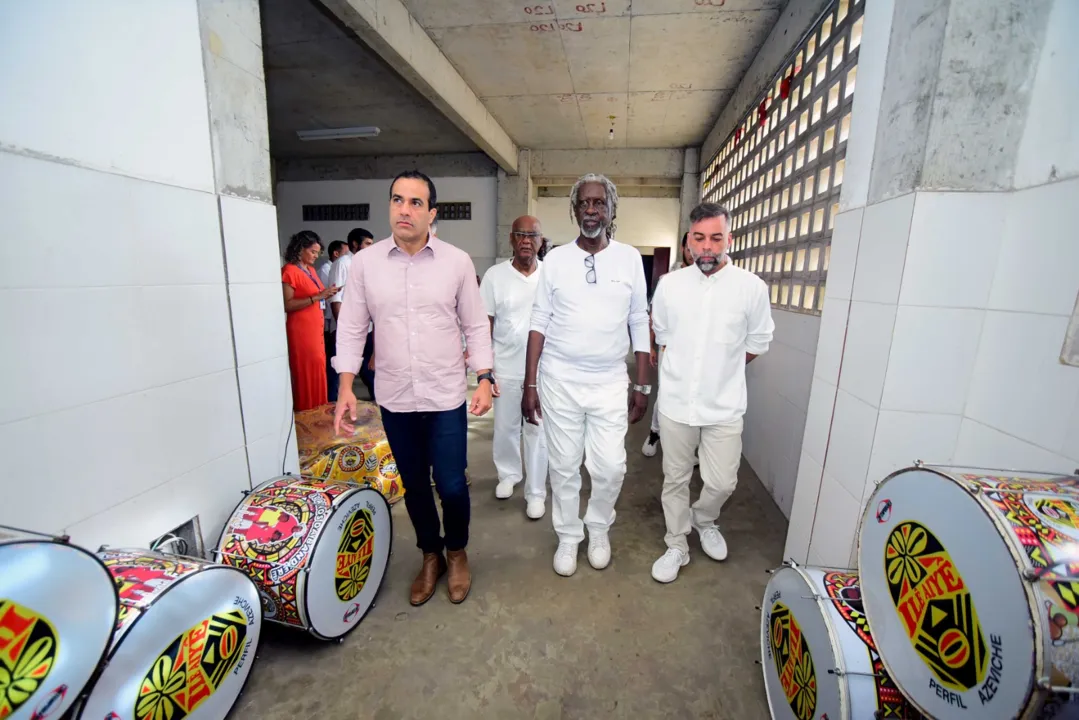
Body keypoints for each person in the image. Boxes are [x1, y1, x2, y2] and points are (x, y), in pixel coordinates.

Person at [333, 170, 494, 606]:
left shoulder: (456, 262)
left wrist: (484, 377)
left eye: (416, 202)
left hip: (444, 396)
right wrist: (346, 386)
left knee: (452, 483)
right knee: (414, 486)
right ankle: (431, 555)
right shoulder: (365, 265)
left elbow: (475, 325)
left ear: (431, 213)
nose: (405, 209)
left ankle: (456, 552)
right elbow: (350, 327)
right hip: (395, 396)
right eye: (398, 200)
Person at [522, 173, 650, 577]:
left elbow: (639, 318)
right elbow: (539, 319)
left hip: (610, 379)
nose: (591, 210)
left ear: (611, 210)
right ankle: (568, 535)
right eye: (584, 203)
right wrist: (529, 384)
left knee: (610, 467)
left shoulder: (629, 258)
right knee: (562, 464)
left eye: (599, 203)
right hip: (559, 378)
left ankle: (598, 527)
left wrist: (643, 382)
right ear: (574, 210)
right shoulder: (556, 259)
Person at [649, 203, 774, 583]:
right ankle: (677, 544)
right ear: (688, 241)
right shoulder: (670, 286)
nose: (707, 247)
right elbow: (663, 337)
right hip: (675, 406)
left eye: (715, 238)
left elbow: (758, 342)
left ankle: (704, 519)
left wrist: (722, 370)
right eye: (699, 238)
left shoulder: (751, 288)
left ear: (728, 239)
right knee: (675, 478)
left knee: (722, 482)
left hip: (724, 407)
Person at [480, 216, 548, 519]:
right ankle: (508, 475)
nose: (526, 240)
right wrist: (485, 370)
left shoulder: (550, 275)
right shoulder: (495, 276)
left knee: (537, 430)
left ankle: (536, 492)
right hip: (505, 367)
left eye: (532, 235)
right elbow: (485, 324)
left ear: (540, 241)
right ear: (511, 239)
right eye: (520, 234)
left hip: (544, 371)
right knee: (506, 428)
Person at [642, 232, 695, 458]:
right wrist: (652, 346)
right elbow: (653, 315)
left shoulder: (710, 280)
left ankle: (687, 447)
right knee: (667, 392)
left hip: (696, 350)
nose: (695, 253)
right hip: (669, 348)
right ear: (683, 249)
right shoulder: (668, 280)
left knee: (691, 395)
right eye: (691, 247)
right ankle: (655, 432)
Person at [282, 231, 339, 412]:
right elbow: (287, 304)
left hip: (316, 328)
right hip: (301, 330)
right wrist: (317, 297)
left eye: (317, 253)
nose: (316, 256)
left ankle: (318, 410)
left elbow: (318, 296)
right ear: (300, 249)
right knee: (306, 372)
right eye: (313, 252)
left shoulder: (311, 270)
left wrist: (328, 293)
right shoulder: (289, 271)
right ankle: (307, 414)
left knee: (318, 368)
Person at [331, 228, 376, 399]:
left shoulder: (363, 264)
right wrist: (343, 329)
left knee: (369, 368)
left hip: (367, 327)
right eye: (367, 244)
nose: (371, 247)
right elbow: (336, 298)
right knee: (343, 369)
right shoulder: (342, 264)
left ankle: (378, 402)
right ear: (355, 244)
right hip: (350, 329)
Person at [322, 240, 348, 401]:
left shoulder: (336, 266)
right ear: (336, 254)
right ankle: (331, 400)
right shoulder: (329, 269)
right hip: (333, 324)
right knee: (334, 367)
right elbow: (334, 299)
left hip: (336, 324)